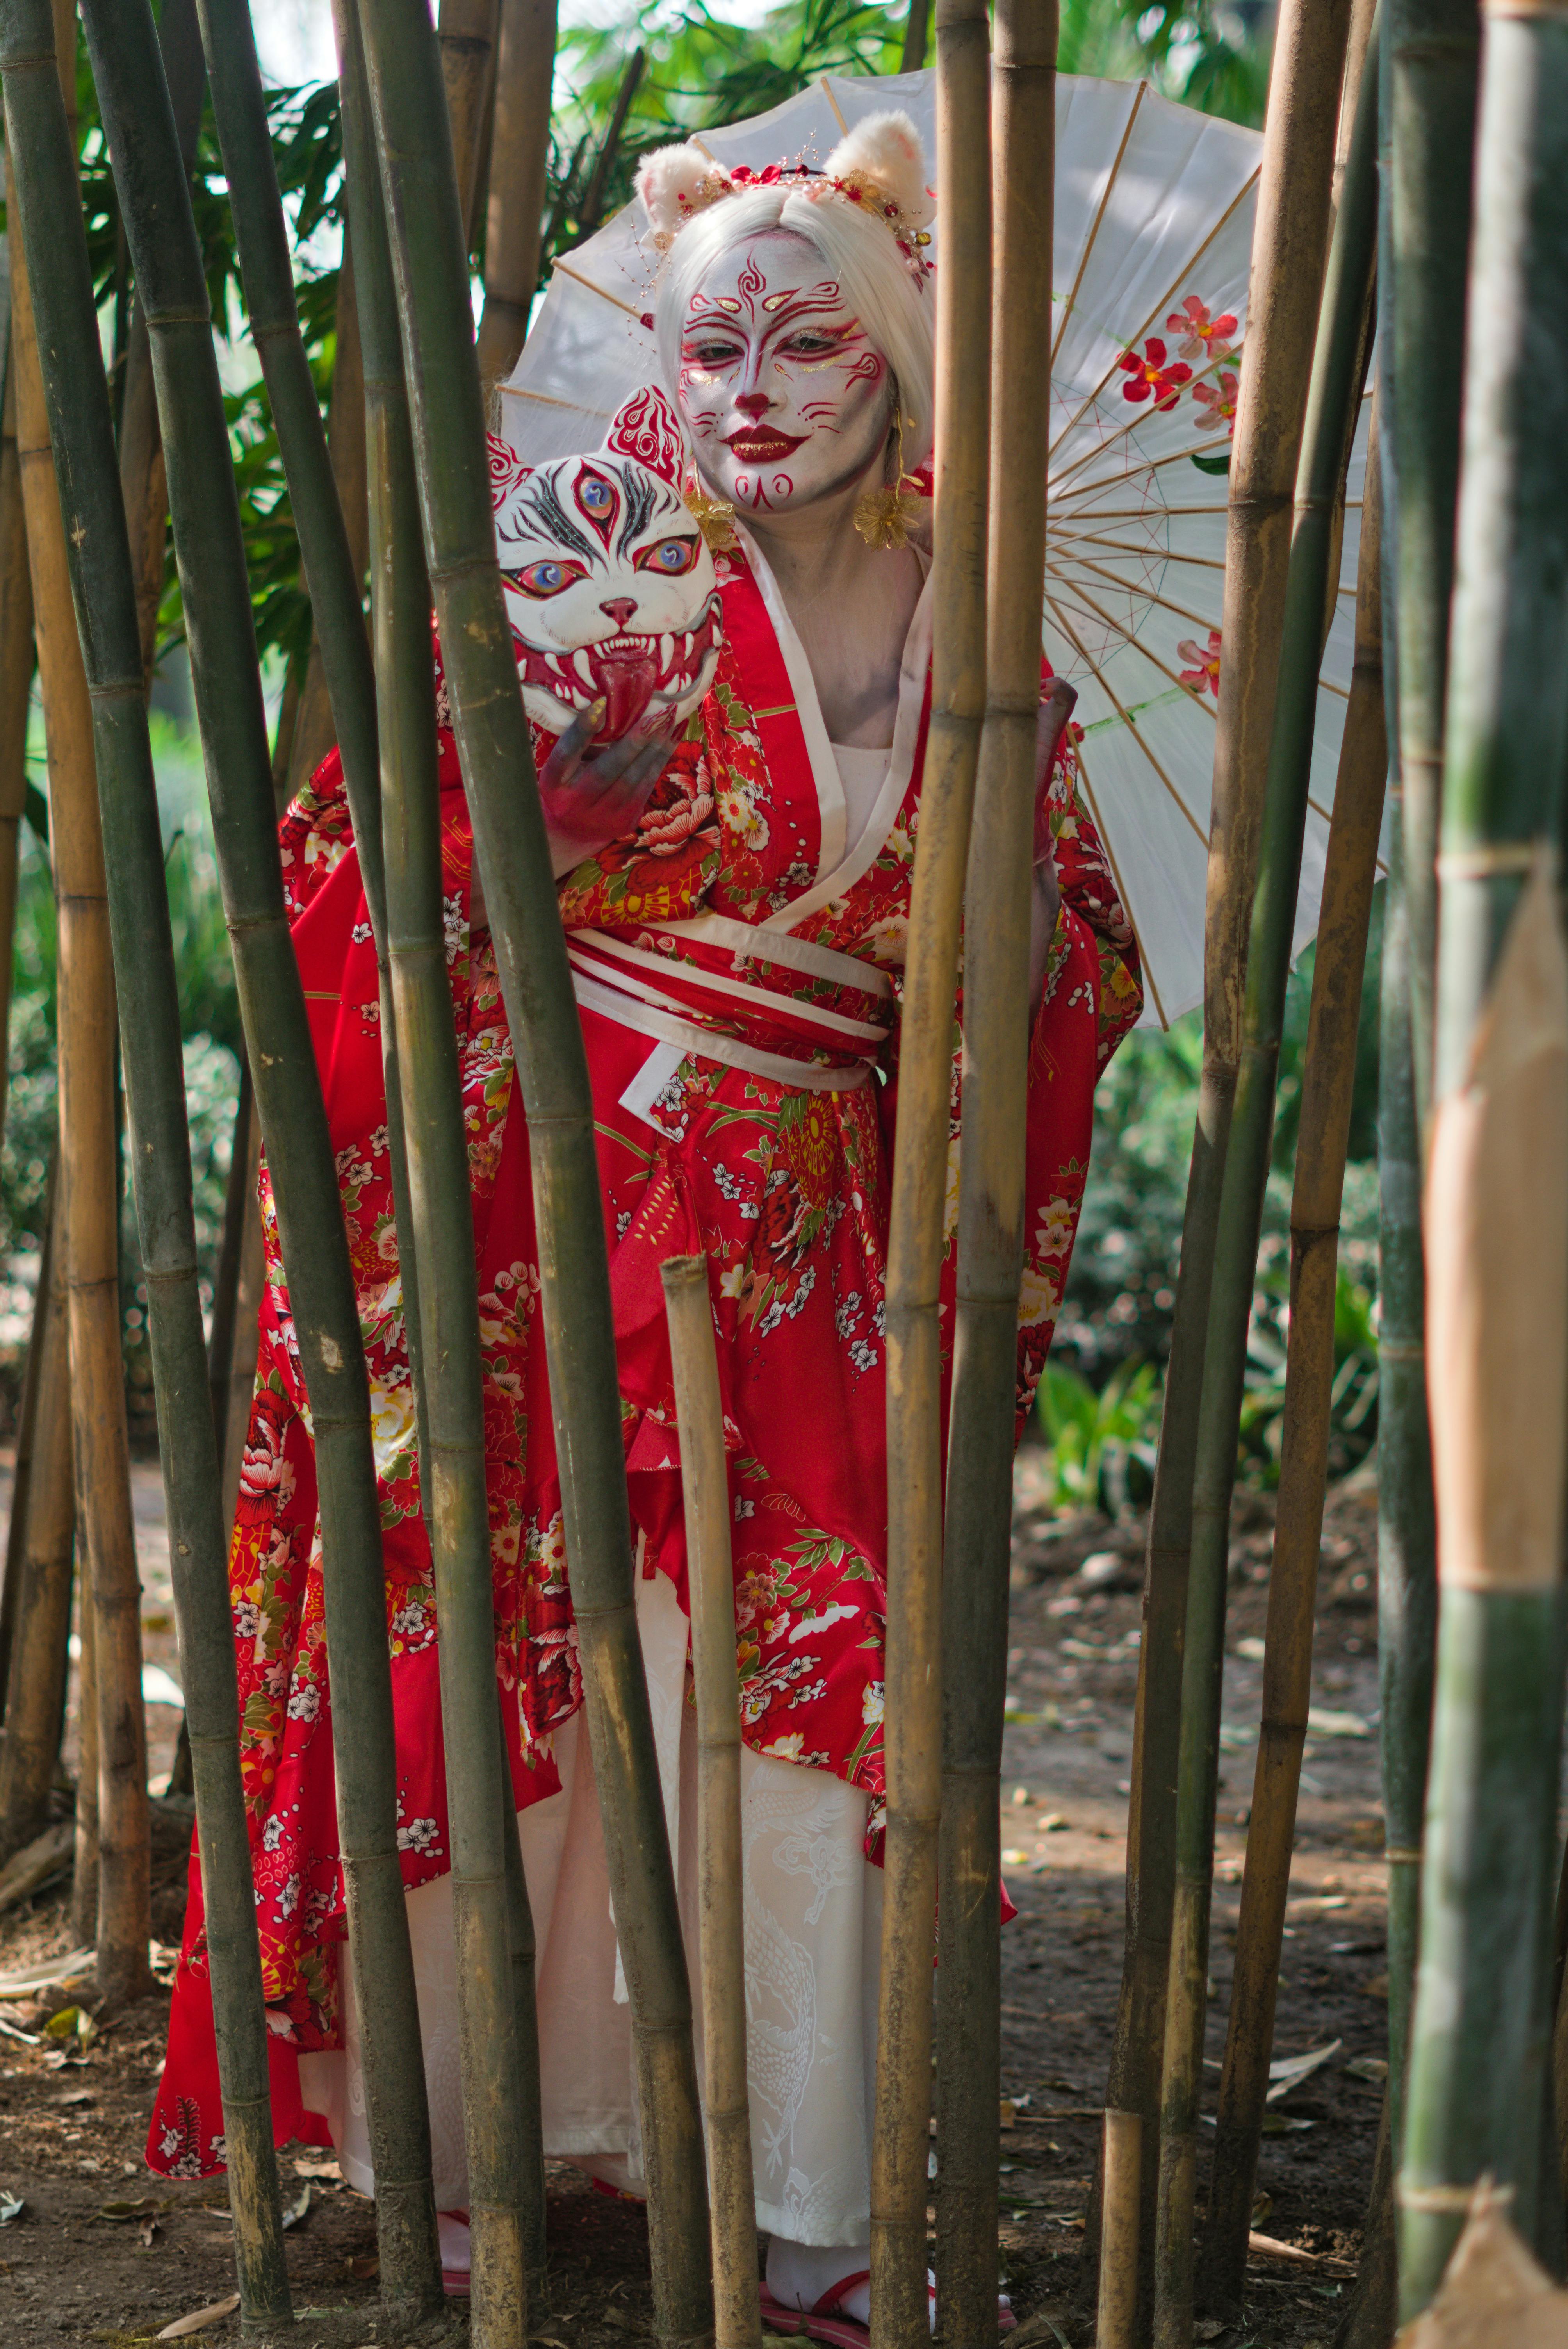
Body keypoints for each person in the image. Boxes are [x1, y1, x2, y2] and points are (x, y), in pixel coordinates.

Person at [146, 109, 1141, 2341]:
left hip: (812, 1209)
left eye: (812, 344)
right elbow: (356, 862)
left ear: (896, 368)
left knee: (801, 1691)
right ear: (659, 372)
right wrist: (526, 826)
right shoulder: (577, 572)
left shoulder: (990, 625)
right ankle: (491, 2135)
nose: (756, 388)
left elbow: (1062, 946)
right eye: (711, 349)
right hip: (554, 1182)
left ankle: (807, 2184)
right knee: (541, 1628)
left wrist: (999, 926)